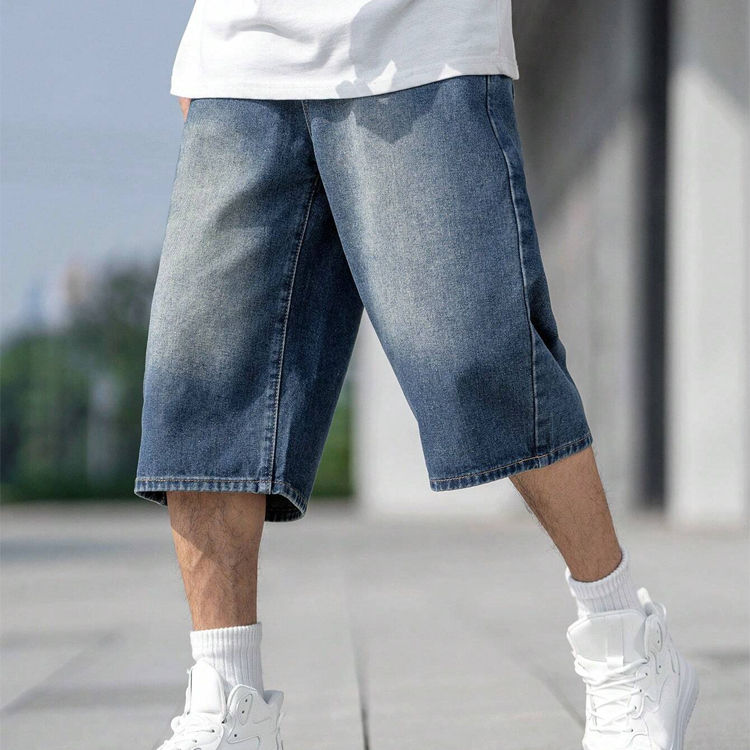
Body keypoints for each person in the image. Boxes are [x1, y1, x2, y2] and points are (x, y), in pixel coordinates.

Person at [134, 2, 699, 748]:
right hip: (239, 60)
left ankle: (627, 642)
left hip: (420, 44)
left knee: (479, 361)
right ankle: (226, 702)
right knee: (203, 390)